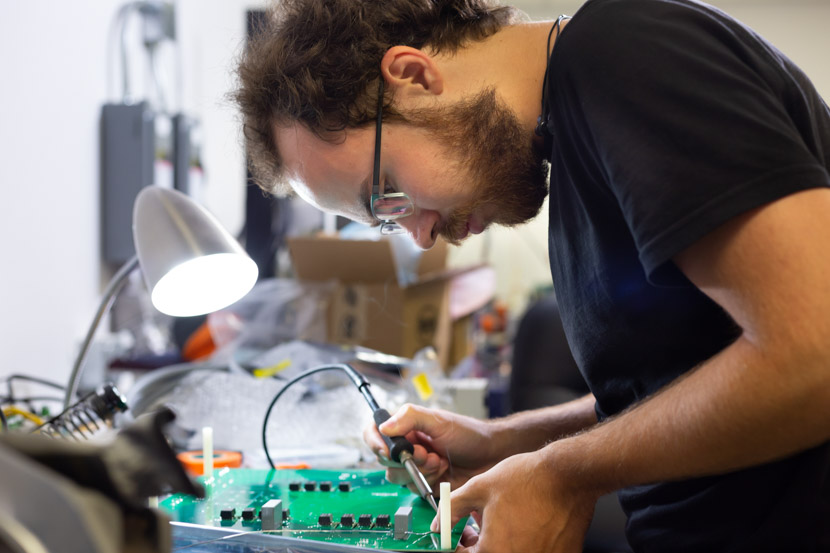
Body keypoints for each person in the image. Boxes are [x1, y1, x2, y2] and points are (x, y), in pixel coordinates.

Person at [234, 0, 830, 551]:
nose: (418, 233)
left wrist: (561, 475)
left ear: (414, 76)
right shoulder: (576, 132)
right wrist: (505, 442)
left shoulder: (626, 54)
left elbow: (813, 353)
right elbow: (686, 381)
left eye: (386, 196)